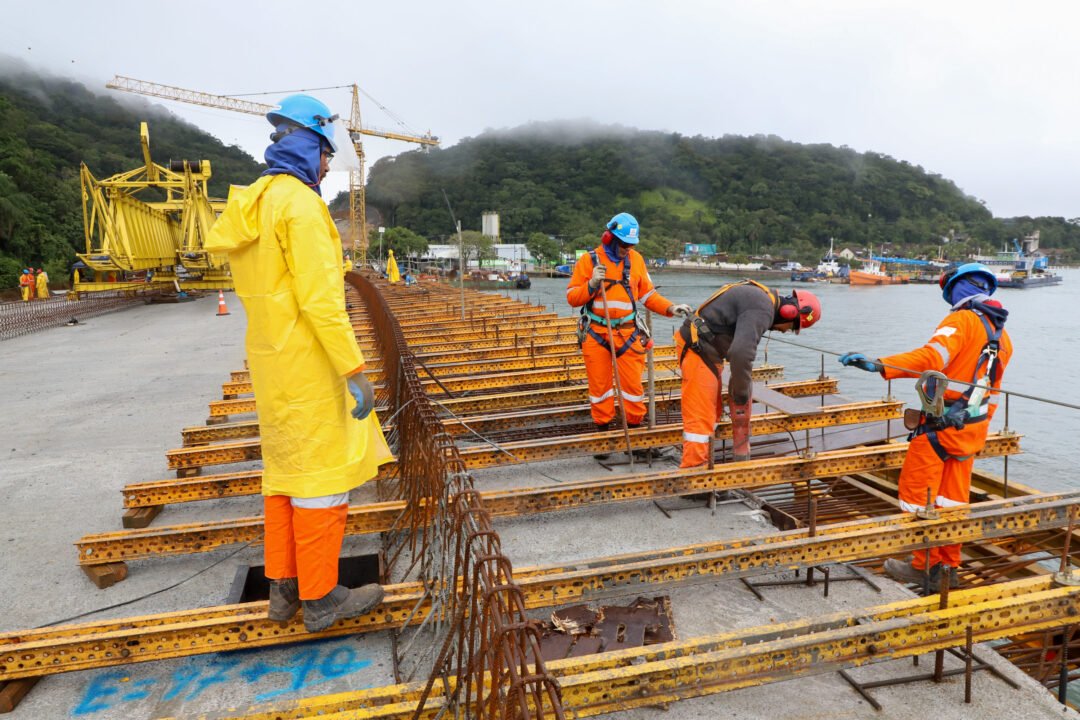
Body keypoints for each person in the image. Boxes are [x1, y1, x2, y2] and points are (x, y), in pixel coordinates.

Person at [205, 93, 393, 632]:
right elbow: (322, 301)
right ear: (311, 145)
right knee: (323, 481)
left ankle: (284, 589)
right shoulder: (302, 207)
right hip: (310, 363)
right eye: (327, 155)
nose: (329, 167)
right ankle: (321, 598)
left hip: (273, 362)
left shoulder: (255, 201)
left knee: (285, 476)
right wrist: (353, 369)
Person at [838, 263, 1011, 592]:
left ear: (955, 289)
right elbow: (992, 390)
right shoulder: (1002, 337)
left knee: (917, 494)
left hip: (939, 426)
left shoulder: (961, 321)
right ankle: (947, 568)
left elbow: (931, 358)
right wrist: (978, 429)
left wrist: (880, 365)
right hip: (970, 429)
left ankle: (922, 566)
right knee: (952, 501)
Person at [567, 213, 690, 448]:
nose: (627, 249)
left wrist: (670, 308)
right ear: (609, 238)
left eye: (630, 245)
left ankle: (634, 436)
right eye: (624, 244)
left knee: (633, 389)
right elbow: (572, 298)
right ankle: (603, 436)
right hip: (596, 333)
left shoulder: (636, 261)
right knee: (600, 389)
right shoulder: (589, 261)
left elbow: (648, 295)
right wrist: (591, 284)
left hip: (627, 333)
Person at [676, 281, 821, 468]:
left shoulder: (762, 300)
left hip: (707, 352)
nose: (786, 331)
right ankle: (693, 474)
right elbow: (741, 353)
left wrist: (740, 386)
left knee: (713, 412)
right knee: (700, 419)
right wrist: (741, 394)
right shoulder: (762, 309)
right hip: (698, 351)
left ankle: (703, 464)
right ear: (789, 313)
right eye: (792, 328)